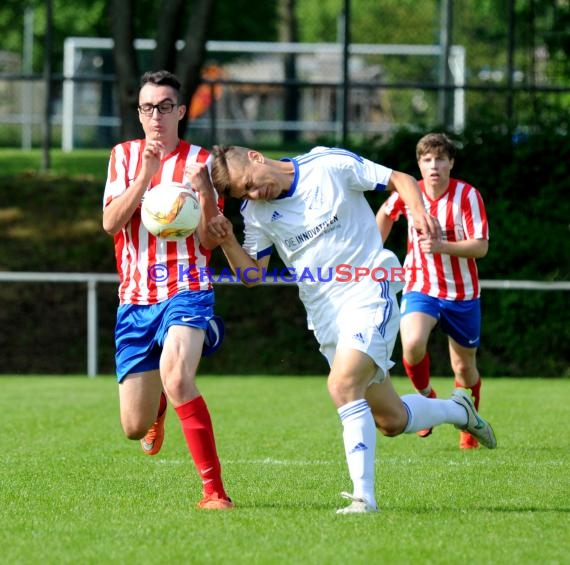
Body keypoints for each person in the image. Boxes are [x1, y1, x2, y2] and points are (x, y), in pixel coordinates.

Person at [195, 144, 496, 514]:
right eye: (246, 194)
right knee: (392, 419)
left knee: (341, 384)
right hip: (326, 315)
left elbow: (399, 179)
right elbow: (253, 276)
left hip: (371, 286)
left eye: (250, 185)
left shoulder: (328, 164)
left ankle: (363, 498)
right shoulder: (256, 213)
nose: (255, 195)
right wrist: (227, 241)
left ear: (256, 157)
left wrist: (418, 213)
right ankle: (459, 409)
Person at [102, 70, 233, 510]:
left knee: (179, 377)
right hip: (136, 299)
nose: (155, 115)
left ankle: (214, 491)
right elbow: (110, 224)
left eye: (163, 107)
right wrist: (146, 176)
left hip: (188, 287)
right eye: (146, 108)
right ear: (138, 114)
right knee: (133, 427)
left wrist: (206, 195)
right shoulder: (123, 157)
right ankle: (158, 404)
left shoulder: (202, 163)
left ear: (180, 111)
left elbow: (213, 238)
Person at [376, 132, 489, 449]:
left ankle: (469, 425)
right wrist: (371, 252)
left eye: (440, 158)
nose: (434, 165)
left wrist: (442, 246)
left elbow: (480, 247)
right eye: (427, 159)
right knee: (411, 343)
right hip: (420, 285)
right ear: (419, 164)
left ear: (451, 162)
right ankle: (427, 399)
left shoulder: (467, 196)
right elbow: (386, 214)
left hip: (462, 293)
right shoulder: (411, 193)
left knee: (465, 369)